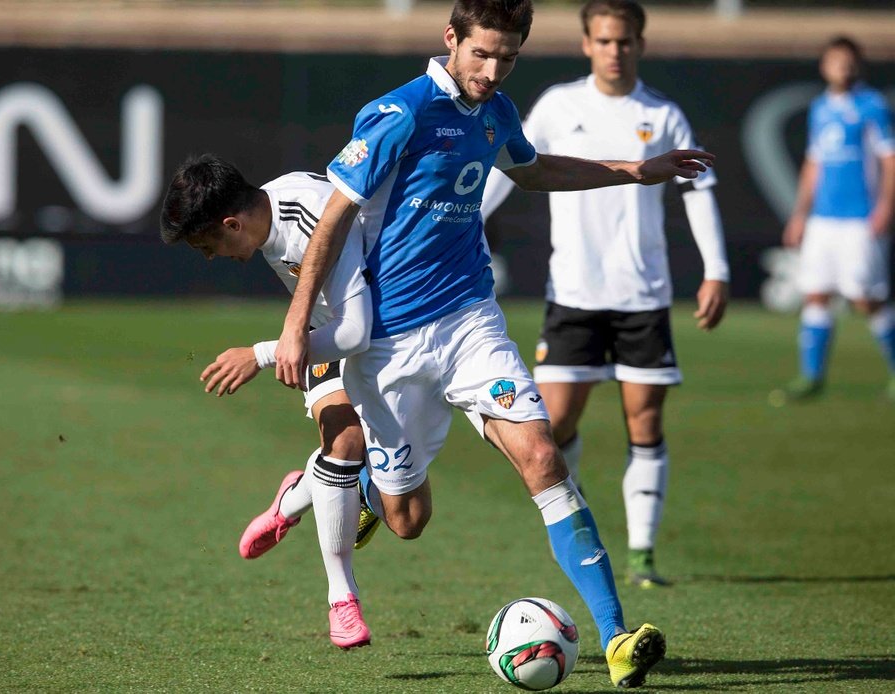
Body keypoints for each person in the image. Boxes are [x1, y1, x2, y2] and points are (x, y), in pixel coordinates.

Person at [273, 1, 714, 687]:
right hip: (390, 348)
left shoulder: (498, 111)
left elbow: (534, 172)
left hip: (471, 323)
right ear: (450, 39)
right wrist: (297, 326)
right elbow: (333, 220)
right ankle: (354, 484)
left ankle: (619, 638)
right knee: (407, 519)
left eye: (507, 57)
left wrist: (635, 170)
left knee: (543, 455)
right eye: (481, 54)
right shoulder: (399, 114)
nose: (492, 69)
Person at [481, 0, 730, 589]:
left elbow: (698, 188)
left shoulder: (662, 114)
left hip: (643, 296)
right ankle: (582, 516)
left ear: (638, 44)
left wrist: (716, 268)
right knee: (553, 427)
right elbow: (508, 170)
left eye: (624, 41)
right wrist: (459, 222)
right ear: (587, 44)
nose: (615, 50)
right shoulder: (558, 107)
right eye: (604, 40)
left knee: (644, 421)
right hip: (574, 295)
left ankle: (642, 555)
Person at [158, 154, 374, 649]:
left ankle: (297, 495)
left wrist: (260, 354)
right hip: (328, 337)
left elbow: (358, 330)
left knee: (406, 516)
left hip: (375, 336)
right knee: (345, 439)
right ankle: (342, 598)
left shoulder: (309, 217)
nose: (211, 257)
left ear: (231, 223)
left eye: (206, 244)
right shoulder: (270, 210)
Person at [773, 35, 895, 403]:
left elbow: (889, 160)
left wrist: (886, 207)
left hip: (860, 218)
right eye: (835, 60)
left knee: (865, 298)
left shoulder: (872, 106)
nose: (842, 67)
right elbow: (814, 165)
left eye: (849, 60)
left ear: (858, 64)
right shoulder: (820, 108)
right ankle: (812, 378)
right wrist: (799, 215)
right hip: (823, 220)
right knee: (816, 293)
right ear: (824, 66)